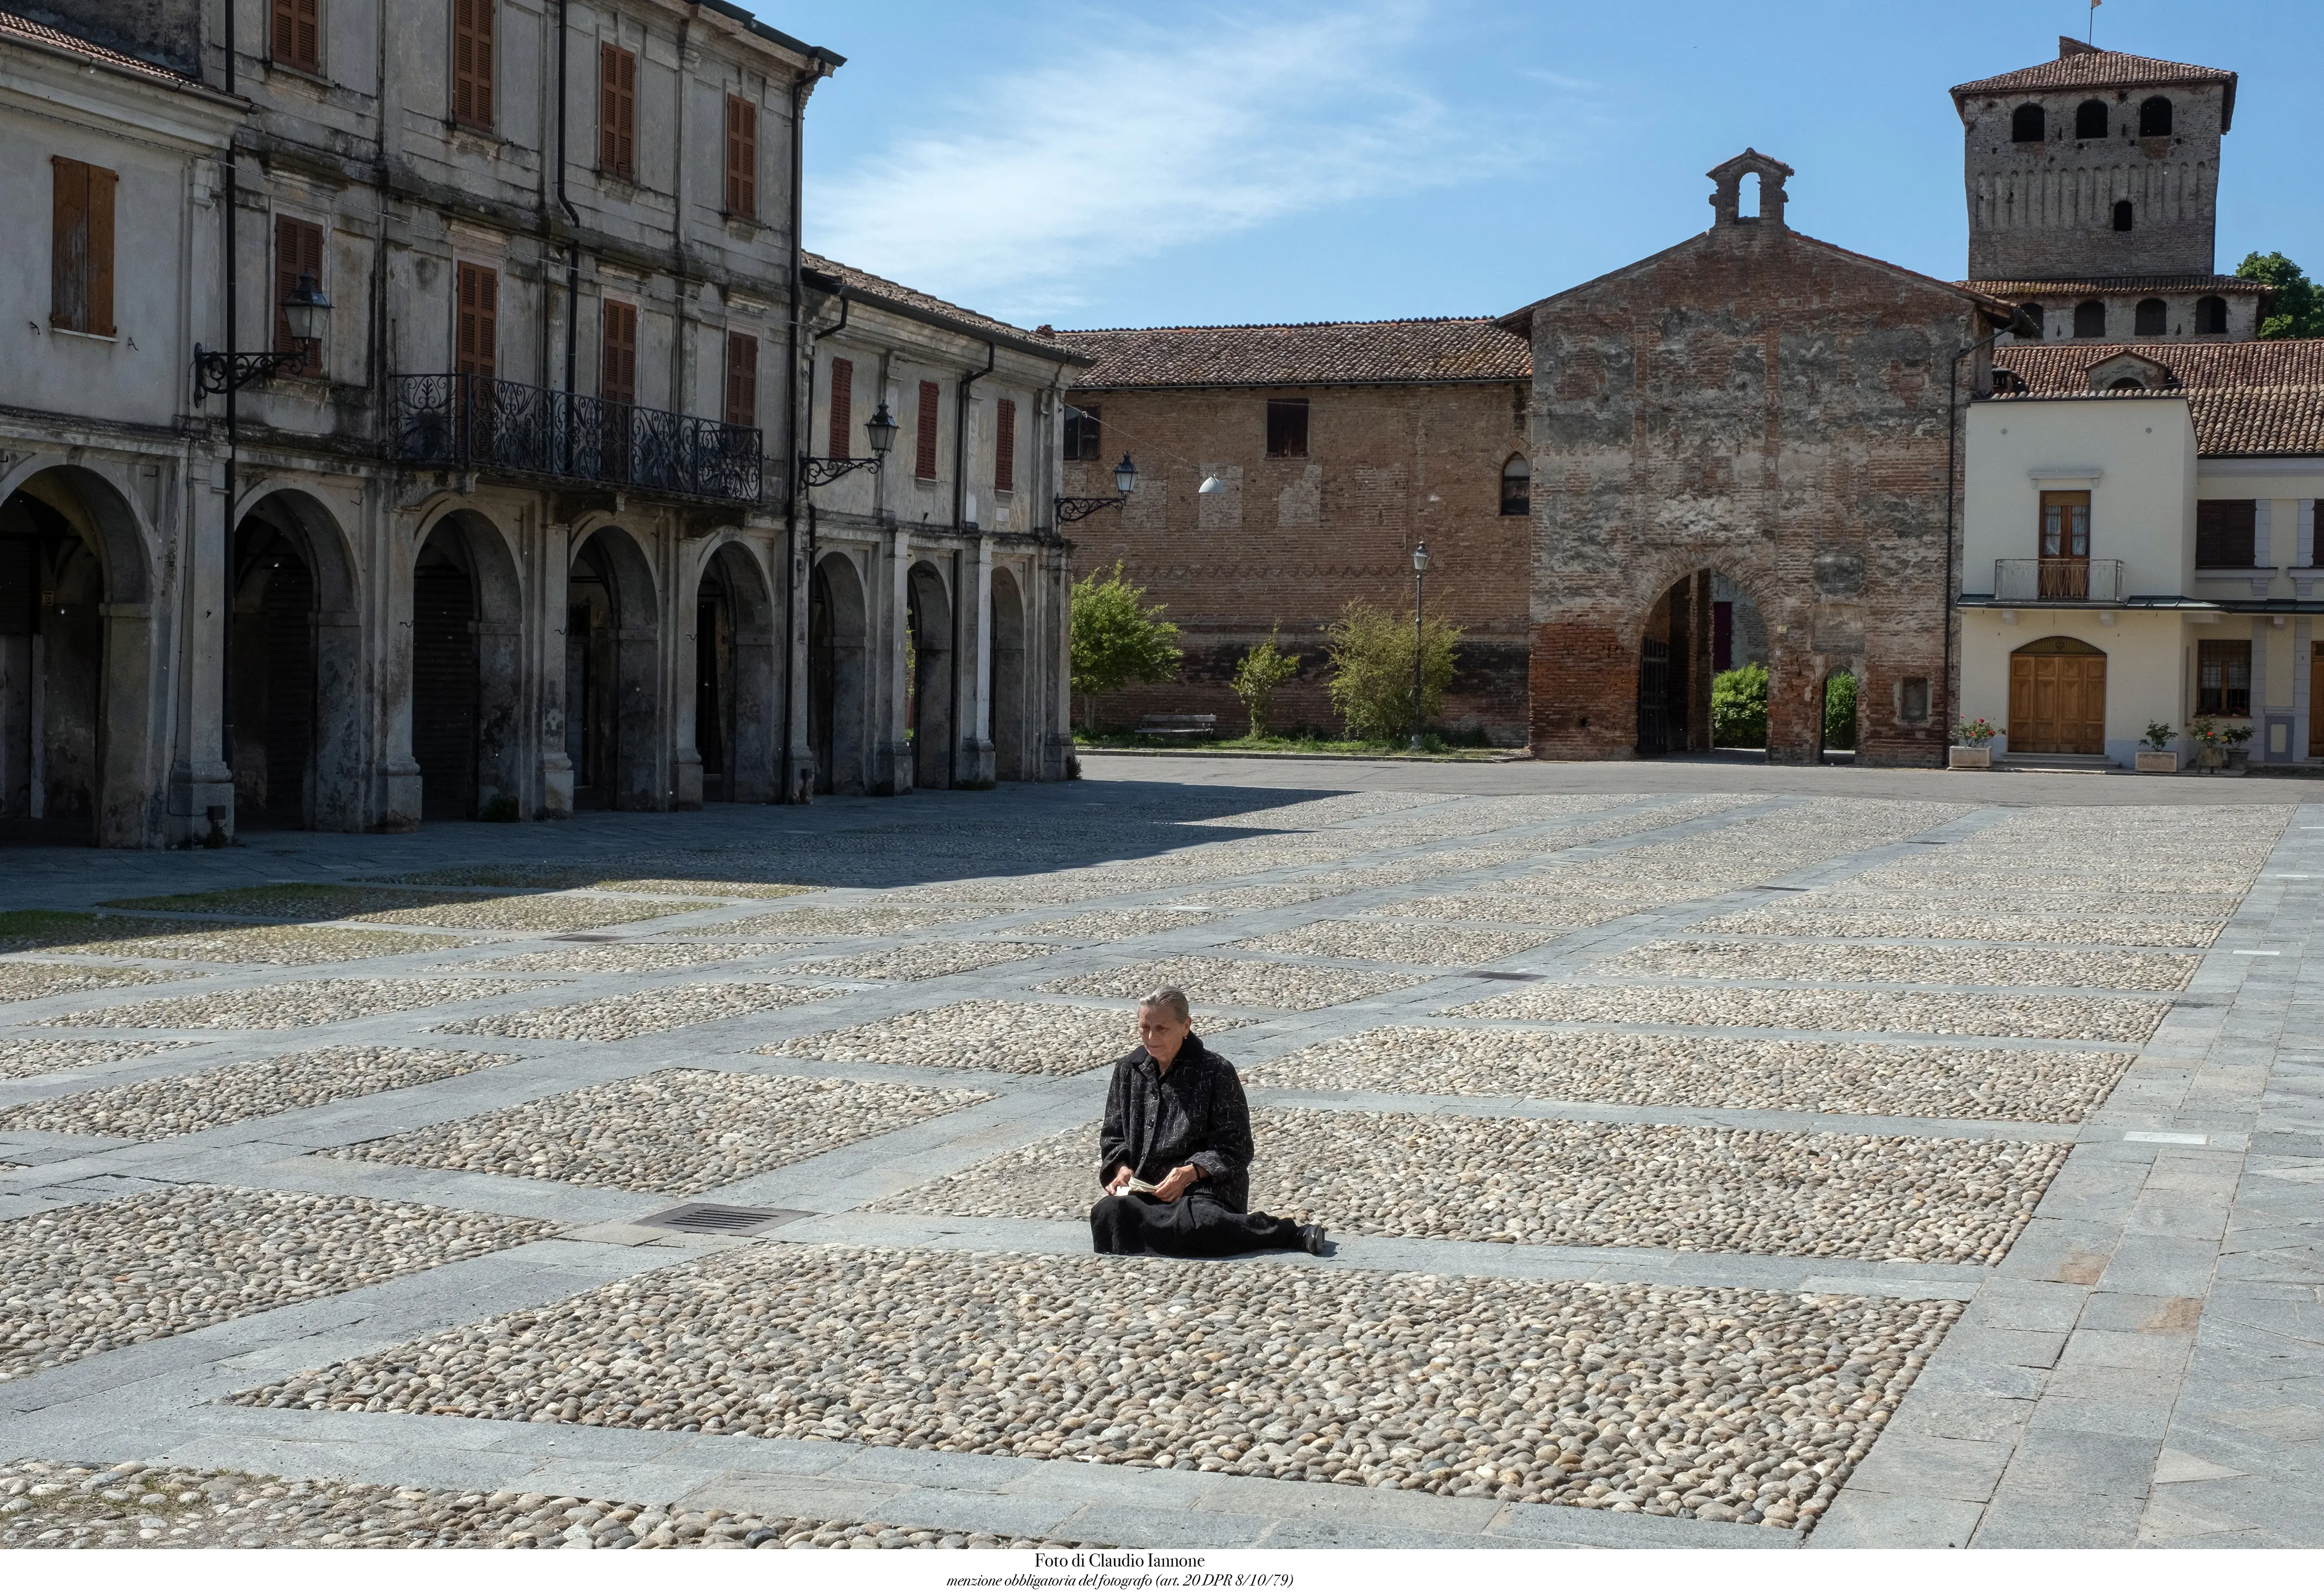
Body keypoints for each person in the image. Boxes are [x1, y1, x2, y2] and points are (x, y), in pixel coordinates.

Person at [1088, 986, 1326, 1259]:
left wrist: (1189, 1173)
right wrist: (1121, 1170)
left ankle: (1288, 1233)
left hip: (1204, 1190)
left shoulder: (1215, 1071)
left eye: (1162, 1029)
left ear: (1186, 1026)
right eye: (1145, 1028)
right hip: (1147, 1190)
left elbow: (1235, 1146)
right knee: (1107, 1215)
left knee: (1198, 1224)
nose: (1151, 1038)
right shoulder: (1128, 1069)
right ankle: (1171, 1235)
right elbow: (1113, 1135)